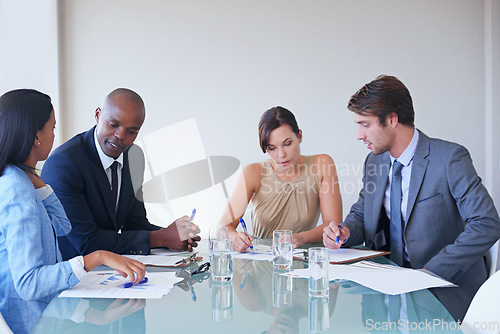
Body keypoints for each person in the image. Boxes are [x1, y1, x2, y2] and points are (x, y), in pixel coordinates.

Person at [322, 75, 500, 321]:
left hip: (440, 294)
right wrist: (343, 231)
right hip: (385, 292)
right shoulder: (375, 160)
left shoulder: (449, 159)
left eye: (365, 124)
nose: (358, 135)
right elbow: (362, 214)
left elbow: (486, 224)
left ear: (392, 119)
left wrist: (429, 273)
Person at [0, 89, 146, 334]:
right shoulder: (15, 189)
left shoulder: (25, 180)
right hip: (31, 325)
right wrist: (97, 257)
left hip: (52, 314)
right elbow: (28, 284)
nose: (55, 136)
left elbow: (62, 227)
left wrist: (42, 185)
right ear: (37, 135)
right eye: (53, 128)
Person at [41, 88, 200, 260]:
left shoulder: (134, 156)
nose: (120, 136)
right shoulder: (64, 164)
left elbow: (134, 222)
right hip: (72, 274)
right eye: (113, 124)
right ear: (97, 115)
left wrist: (174, 235)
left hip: (111, 269)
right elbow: (87, 242)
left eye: (132, 131)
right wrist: (161, 237)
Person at [220, 106, 342, 252]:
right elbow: (222, 228)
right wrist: (235, 238)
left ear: (300, 136)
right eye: (272, 148)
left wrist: (301, 238)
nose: (281, 155)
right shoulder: (253, 172)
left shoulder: (322, 164)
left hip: (302, 259)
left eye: (287, 144)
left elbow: (333, 225)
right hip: (261, 261)